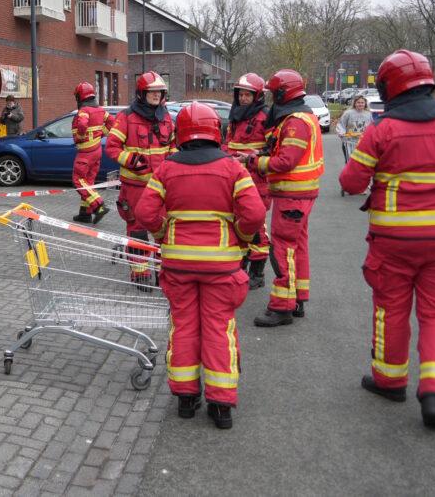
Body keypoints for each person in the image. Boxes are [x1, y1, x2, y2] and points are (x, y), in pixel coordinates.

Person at [340, 50, 435, 430]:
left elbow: (351, 182)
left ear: (388, 87)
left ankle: (390, 380)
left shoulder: (381, 130)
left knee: (391, 309)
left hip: (392, 242)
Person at [136, 103, 266, 429]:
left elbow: (145, 213)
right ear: (215, 131)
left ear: (180, 133)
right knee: (219, 328)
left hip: (178, 266)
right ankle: (221, 406)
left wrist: (164, 233)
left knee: (184, 327)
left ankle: (185, 399)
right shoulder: (233, 169)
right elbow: (254, 214)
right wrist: (241, 237)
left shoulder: (166, 169)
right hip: (221, 267)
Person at [244, 69, 324, 328]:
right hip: (300, 194)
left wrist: (255, 162)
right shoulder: (301, 116)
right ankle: (297, 299)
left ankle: (282, 307)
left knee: (282, 249)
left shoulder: (295, 121)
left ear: (282, 93)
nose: (270, 98)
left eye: (273, 93)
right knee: (297, 247)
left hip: (292, 195)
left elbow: (285, 161)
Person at [106, 71, 175, 286]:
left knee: (164, 230)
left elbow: (173, 145)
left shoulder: (166, 117)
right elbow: (112, 147)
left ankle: (163, 272)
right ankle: (139, 273)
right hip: (135, 187)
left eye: (159, 92)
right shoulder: (126, 117)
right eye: (152, 92)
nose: (156, 95)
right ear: (141, 93)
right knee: (137, 231)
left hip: (162, 187)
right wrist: (131, 160)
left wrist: (173, 162)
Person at [222, 72, 271, 290]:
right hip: (234, 178)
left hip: (256, 180)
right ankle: (240, 268)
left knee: (257, 227)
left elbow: (272, 148)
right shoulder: (235, 115)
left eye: (247, 95)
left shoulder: (265, 117)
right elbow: (228, 143)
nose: (243, 98)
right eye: (240, 94)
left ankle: (257, 274)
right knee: (237, 224)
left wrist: (252, 157)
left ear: (257, 96)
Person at [71, 81, 114, 224]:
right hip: (97, 151)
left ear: (80, 97)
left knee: (78, 180)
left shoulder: (84, 111)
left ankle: (98, 205)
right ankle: (85, 213)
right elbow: (112, 121)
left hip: (85, 153)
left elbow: (82, 124)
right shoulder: (101, 110)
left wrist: (81, 137)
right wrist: (101, 134)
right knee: (88, 182)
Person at [336, 95, 374, 160]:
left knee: (362, 162)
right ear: (355, 103)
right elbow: (341, 124)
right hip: (349, 142)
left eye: (362, 103)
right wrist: (342, 134)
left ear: (365, 104)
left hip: (363, 142)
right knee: (350, 162)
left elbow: (372, 127)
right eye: (358, 102)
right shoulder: (348, 113)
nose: (360, 104)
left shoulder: (368, 114)